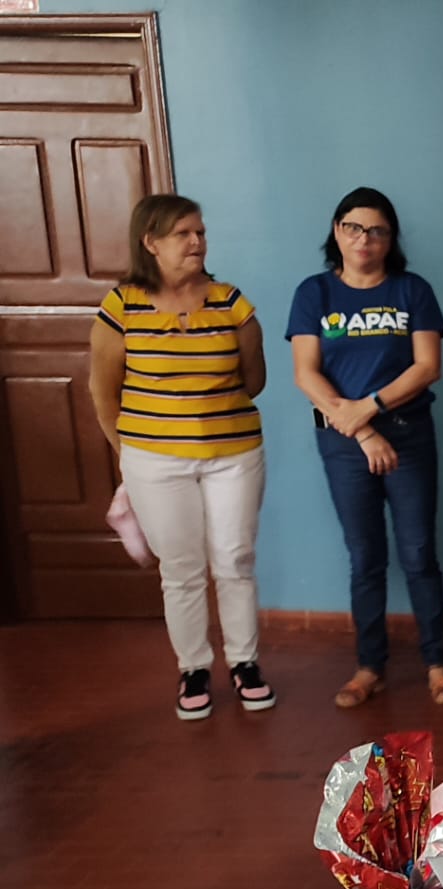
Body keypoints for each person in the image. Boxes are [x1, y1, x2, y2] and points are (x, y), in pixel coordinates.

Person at [88, 194, 276, 721]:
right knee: (182, 568)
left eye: (200, 232)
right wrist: (131, 455)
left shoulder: (231, 302)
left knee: (235, 559)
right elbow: (104, 392)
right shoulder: (121, 305)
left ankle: (245, 663)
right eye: (183, 234)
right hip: (154, 459)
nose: (197, 242)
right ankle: (194, 667)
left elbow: (254, 380)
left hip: (233, 452)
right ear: (150, 242)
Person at [287, 187, 443, 708]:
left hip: (409, 433)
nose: (365, 239)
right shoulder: (314, 293)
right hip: (343, 441)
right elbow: (305, 374)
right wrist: (361, 427)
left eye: (377, 231)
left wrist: (372, 407)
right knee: (365, 557)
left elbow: (428, 366)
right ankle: (370, 667)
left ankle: (437, 662)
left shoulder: (412, 291)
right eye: (354, 228)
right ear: (337, 232)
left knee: (418, 553)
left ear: (391, 240)